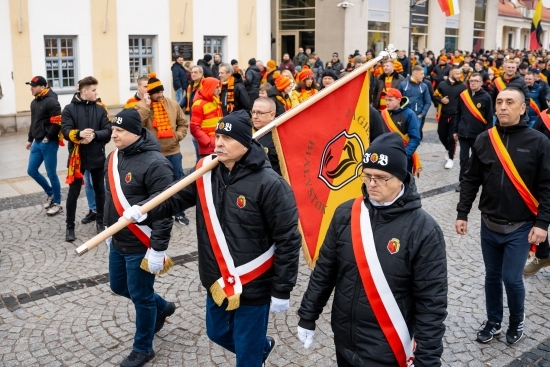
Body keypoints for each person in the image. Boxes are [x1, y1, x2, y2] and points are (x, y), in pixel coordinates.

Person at [124, 110, 302, 367]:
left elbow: (288, 239)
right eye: (217, 135)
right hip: (216, 277)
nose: (218, 142)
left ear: (244, 142)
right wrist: (144, 209)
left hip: (254, 283)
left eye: (227, 138)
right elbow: (174, 198)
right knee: (216, 332)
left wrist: (282, 289)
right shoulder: (206, 172)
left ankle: (253, 353)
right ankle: (261, 347)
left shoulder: (271, 184)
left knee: (247, 355)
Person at [297, 132, 447, 367]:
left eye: (381, 177)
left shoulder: (424, 229)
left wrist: (427, 360)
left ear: (401, 178)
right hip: (345, 340)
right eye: (367, 176)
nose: (372, 184)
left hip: (388, 348)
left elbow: (432, 302)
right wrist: (308, 315)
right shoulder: (345, 213)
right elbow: (325, 270)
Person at [456, 88, 550, 345]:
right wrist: (462, 213)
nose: (503, 107)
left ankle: (516, 321)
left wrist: (542, 224)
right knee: (492, 276)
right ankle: (493, 320)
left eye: (510, 102)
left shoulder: (539, 141)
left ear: (523, 109)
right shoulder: (485, 139)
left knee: (511, 278)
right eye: (499, 102)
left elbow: (547, 186)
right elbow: (471, 178)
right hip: (489, 224)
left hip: (521, 226)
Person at [106, 108, 176, 367]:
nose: (114, 135)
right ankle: (164, 307)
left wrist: (157, 249)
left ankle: (143, 348)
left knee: (141, 296)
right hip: (118, 239)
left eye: (120, 131)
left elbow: (166, 209)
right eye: (113, 130)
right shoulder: (113, 157)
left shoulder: (157, 163)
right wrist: (106, 229)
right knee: (119, 287)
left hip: (141, 243)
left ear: (135, 132)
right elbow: (110, 199)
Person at [135, 73, 190, 225]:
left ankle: (179, 212)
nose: (160, 95)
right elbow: (136, 127)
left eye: (161, 91)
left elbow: (183, 123)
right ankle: (157, 214)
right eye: (156, 92)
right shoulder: (140, 106)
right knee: (155, 186)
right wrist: (146, 106)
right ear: (149, 94)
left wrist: (177, 136)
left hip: (173, 151)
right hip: (153, 155)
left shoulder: (172, 104)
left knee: (178, 182)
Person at [61, 76, 111, 241]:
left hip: (97, 155)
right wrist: (79, 134)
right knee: (73, 193)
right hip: (77, 158)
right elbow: (66, 131)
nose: (96, 93)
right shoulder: (69, 109)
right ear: (84, 91)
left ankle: (100, 222)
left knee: (100, 190)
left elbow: (108, 131)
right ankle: (69, 227)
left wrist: (95, 136)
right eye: (94, 90)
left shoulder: (100, 109)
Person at [25, 75, 63, 216]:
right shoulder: (34, 102)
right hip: (37, 141)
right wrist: (30, 139)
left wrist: (48, 138)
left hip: (49, 142)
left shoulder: (52, 101)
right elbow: (33, 122)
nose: (31, 88)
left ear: (42, 87)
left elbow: (57, 123)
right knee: (31, 170)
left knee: (52, 173)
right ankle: (50, 193)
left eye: (33, 86)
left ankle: (58, 203)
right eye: (31, 86)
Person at [453, 72, 493, 192]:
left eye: (476, 81)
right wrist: (455, 130)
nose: (473, 83)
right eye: (471, 81)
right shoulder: (463, 95)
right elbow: (458, 114)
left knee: (478, 159)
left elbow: (490, 117)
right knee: (464, 159)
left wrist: (488, 135)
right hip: (464, 133)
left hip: (479, 135)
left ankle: (479, 180)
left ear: (481, 83)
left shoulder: (486, 97)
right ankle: (463, 182)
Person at [525, 107, 550, 275]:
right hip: (545, 172)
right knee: (541, 213)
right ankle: (543, 255)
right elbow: (532, 141)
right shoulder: (544, 117)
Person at [379, 88, 421, 175]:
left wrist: (405, 155)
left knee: (403, 183)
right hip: (385, 155)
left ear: (398, 100)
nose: (387, 103)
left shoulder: (410, 114)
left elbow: (415, 138)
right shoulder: (383, 113)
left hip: (402, 155)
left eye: (390, 100)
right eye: (386, 100)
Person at [433, 67, 467, 169]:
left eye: (460, 74)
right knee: (441, 134)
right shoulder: (442, 84)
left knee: (452, 138)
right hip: (443, 115)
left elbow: (466, 100)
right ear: (450, 74)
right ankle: (448, 149)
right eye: (457, 74)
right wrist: (441, 100)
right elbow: (434, 96)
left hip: (456, 117)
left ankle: (451, 159)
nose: (459, 76)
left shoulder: (462, 86)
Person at [190, 77, 223, 157]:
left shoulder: (215, 100)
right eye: (217, 87)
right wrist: (208, 142)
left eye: (219, 87)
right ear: (210, 88)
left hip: (218, 143)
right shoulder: (199, 104)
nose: (219, 89)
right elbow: (194, 127)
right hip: (208, 148)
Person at [251, 97, 281, 175]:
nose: (254, 116)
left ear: (272, 115)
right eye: (253, 112)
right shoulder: (247, 132)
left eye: (259, 113)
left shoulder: (279, 137)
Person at [398, 65, 431, 132]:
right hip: (404, 116)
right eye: (421, 74)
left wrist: (422, 114)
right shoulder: (403, 84)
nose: (423, 76)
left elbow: (428, 101)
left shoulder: (424, 86)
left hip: (417, 116)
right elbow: (397, 99)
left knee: (414, 136)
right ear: (415, 74)